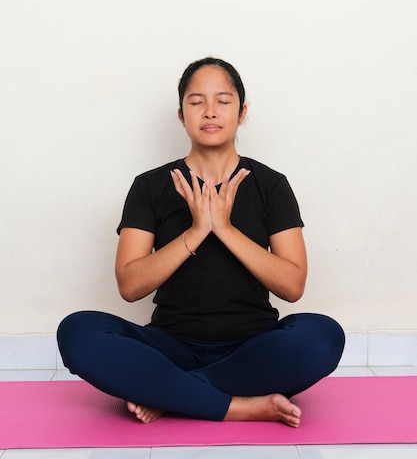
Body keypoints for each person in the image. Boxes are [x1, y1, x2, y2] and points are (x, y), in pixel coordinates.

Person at [57, 57, 345, 427]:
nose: (210, 111)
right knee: (77, 331)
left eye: (223, 101)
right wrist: (196, 231)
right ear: (181, 114)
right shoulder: (150, 186)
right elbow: (129, 286)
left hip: (253, 346)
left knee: (323, 336)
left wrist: (224, 228)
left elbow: (292, 286)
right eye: (197, 102)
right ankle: (239, 406)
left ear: (242, 113)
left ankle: (172, 394)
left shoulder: (271, 184)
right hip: (170, 348)